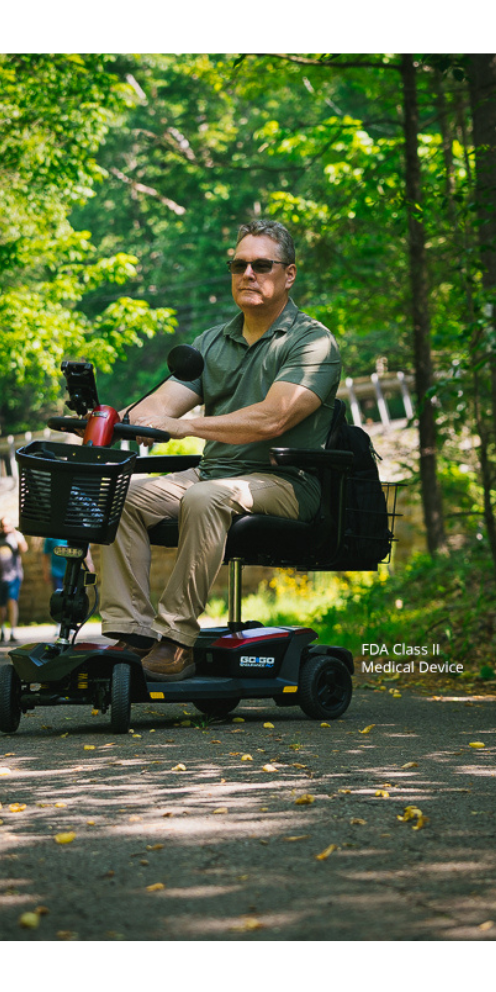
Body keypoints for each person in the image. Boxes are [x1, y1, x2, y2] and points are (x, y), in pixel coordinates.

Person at [95, 219, 341, 682]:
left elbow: (273, 418)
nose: (247, 274)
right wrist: (119, 417)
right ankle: (134, 632)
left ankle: (176, 640)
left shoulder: (312, 342)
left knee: (205, 496)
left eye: (261, 265)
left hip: (285, 481)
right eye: (238, 265)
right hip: (214, 472)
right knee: (118, 496)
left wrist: (184, 426)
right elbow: (161, 405)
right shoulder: (211, 342)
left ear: (288, 274)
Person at [0, 516, 28, 644]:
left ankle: (13, 631)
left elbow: (24, 549)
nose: (5, 528)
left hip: (14, 575)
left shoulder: (16, 536)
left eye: (7, 525)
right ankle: (2, 629)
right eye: (3, 525)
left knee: (12, 601)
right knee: (0, 605)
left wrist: (17, 536)